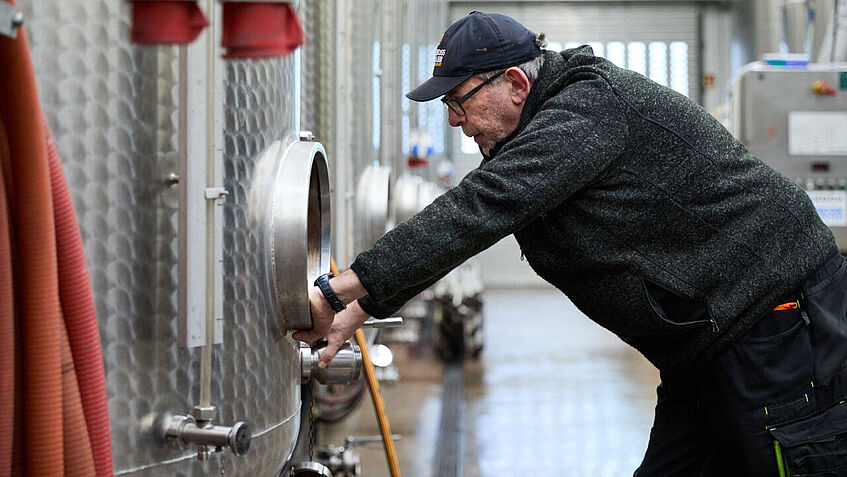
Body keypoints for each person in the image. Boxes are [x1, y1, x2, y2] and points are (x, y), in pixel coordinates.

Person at [293, 11, 847, 475]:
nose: (457, 122)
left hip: (772, 326)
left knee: (793, 462)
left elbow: (479, 208)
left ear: (516, 83)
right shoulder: (534, 131)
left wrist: (338, 293)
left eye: (460, 101)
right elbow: (478, 217)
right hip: (702, 347)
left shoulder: (588, 108)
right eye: (447, 109)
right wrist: (363, 306)